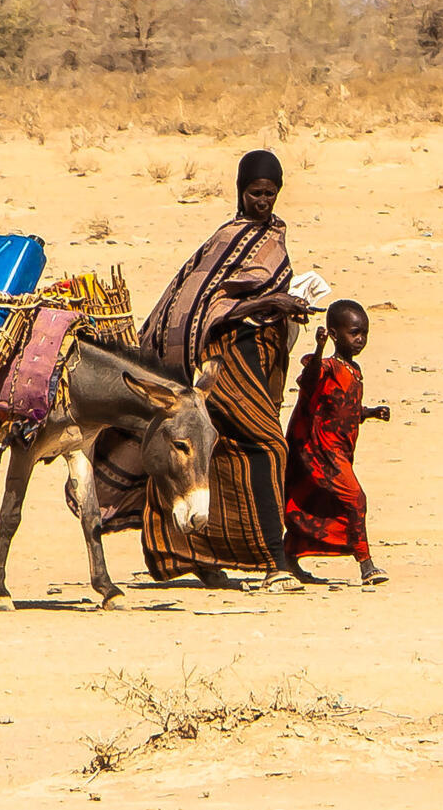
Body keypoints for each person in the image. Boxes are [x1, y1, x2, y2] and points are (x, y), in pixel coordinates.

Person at [138, 149, 310, 591]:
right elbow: (210, 303)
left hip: (255, 358)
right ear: (240, 190)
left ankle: (186, 552)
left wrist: (288, 307)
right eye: (255, 193)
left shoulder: (272, 235)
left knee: (227, 453)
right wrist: (272, 302)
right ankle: (274, 561)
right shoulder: (228, 238)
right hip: (222, 358)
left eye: (270, 194)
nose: (262, 202)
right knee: (270, 446)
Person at [283, 299, 389, 585]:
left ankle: (288, 555)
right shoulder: (327, 368)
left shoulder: (354, 371)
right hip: (321, 453)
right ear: (333, 334)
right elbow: (310, 379)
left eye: (364, 333)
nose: (360, 340)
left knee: (316, 503)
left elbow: (343, 409)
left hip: (341, 450)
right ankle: (366, 565)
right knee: (356, 500)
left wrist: (369, 413)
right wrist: (318, 348)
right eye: (354, 333)